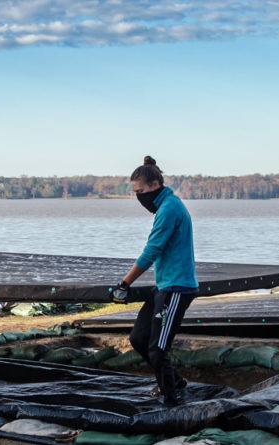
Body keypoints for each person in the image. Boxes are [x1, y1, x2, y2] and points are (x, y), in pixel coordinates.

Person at [108, 156, 198, 406]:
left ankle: (171, 403)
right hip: (164, 286)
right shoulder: (165, 205)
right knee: (139, 338)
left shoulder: (169, 209)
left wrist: (124, 283)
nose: (139, 197)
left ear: (156, 184)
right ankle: (175, 382)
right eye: (135, 192)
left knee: (158, 349)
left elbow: (152, 251)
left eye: (142, 191)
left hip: (177, 289)